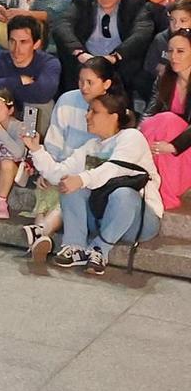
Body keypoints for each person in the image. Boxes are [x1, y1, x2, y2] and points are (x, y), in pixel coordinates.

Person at [24, 89, 161, 274]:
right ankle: (75, 247)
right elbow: (58, 173)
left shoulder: (131, 137)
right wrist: (36, 150)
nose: (87, 115)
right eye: (88, 110)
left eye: (94, 111)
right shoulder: (91, 146)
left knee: (123, 194)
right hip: (101, 218)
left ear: (113, 117)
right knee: (68, 182)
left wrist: (81, 179)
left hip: (139, 221)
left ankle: (99, 250)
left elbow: (114, 168)